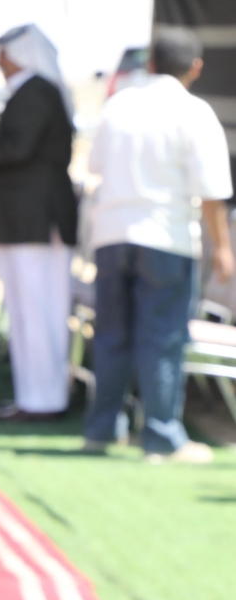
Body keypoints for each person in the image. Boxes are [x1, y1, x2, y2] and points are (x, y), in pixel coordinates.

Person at [83, 28, 233, 463]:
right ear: (195, 68)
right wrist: (223, 248)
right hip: (166, 238)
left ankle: (102, 430)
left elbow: (95, 166)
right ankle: (161, 437)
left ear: (149, 63)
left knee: (111, 334)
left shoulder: (118, 104)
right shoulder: (194, 112)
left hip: (112, 233)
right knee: (162, 338)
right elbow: (212, 191)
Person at [0, 24, 79, 421]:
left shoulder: (37, 93)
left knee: (38, 310)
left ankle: (44, 400)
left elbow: (17, 148)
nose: (0, 61)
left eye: (3, 53)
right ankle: (33, 397)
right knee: (26, 311)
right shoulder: (32, 92)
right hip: (24, 222)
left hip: (35, 221)